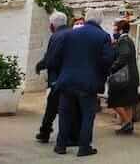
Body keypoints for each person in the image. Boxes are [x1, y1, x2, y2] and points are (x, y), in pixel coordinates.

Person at [47, 8, 114, 157]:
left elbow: (57, 56)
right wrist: (99, 73)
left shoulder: (70, 33)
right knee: (87, 115)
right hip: (88, 83)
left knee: (65, 114)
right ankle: (84, 147)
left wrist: (63, 72)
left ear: (86, 18)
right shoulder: (103, 36)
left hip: (67, 80)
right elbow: (108, 59)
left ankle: (61, 145)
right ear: (100, 21)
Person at [35, 11, 79, 145]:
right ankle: (73, 136)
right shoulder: (75, 34)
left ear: (52, 25)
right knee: (72, 107)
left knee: (52, 107)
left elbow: (51, 58)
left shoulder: (56, 36)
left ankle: (45, 132)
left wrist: (41, 65)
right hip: (73, 76)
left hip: (58, 77)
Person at [107, 19, 140, 134]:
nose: (113, 31)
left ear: (120, 30)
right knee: (128, 102)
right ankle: (127, 127)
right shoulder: (128, 40)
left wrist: (113, 67)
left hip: (124, 77)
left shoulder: (123, 41)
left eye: (115, 29)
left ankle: (127, 122)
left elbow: (124, 55)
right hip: (132, 76)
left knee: (114, 101)